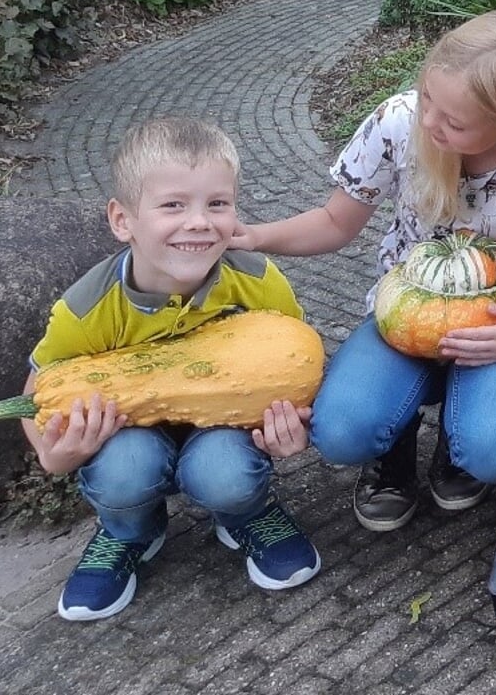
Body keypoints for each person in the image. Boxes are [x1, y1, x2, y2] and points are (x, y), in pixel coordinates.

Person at [234, 9, 496, 531]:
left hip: (494, 322)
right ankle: (392, 451)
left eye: (453, 121)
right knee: (340, 432)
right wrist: (255, 237)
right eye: (428, 99)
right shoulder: (398, 122)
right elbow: (335, 221)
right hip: (405, 316)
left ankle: (458, 442)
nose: (428, 122)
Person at [18, 117, 322, 622]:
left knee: (224, 472)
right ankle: (128, 530)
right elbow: (38, 390)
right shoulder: (88, 307)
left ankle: (244, 513)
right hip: (128, 434)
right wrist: (51, 456)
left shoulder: (259, 281)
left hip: (225, 429)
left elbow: (293, 362)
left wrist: (293, 426)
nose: (200, 222)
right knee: (124, 470)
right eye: (173, 205)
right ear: (123, 220)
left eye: (217, 204)